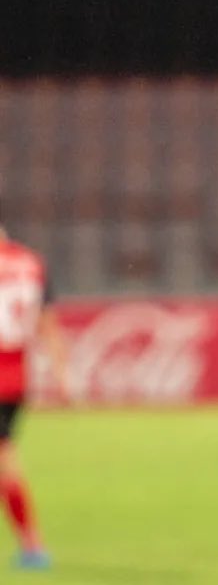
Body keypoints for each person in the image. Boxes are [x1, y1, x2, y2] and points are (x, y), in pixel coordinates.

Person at [0, 224, 70, 569]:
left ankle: (32, 545)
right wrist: (61, 374)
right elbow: (48, 322)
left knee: (4, 463)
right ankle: (31, 544)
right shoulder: (31, 263)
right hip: (15, 380)